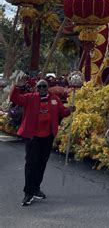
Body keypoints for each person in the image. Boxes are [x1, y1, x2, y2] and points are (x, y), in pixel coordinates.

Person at [9, 77, 74, 206]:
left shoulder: (54, 99)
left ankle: (36, 188)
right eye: (39, 87)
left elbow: (63, 112)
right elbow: (15, 99)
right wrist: (17, 87)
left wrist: (70, 110)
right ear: (36, 88)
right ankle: (28, 192)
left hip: (48, 136)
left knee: (41, 163)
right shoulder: (30, 97)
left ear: (47, 87)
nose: (41, 89)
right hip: (33, 137)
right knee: (31, 164)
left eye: (44, 86)